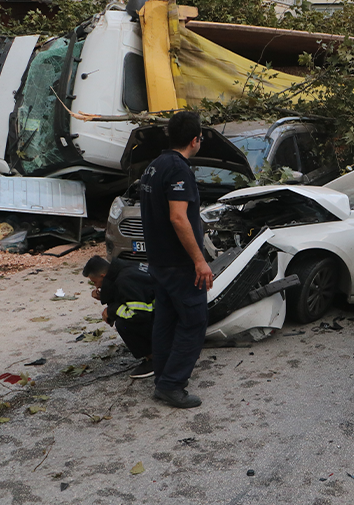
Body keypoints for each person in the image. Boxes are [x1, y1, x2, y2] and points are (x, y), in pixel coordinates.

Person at [139, 111, 213, 409]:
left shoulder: (154, 166)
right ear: (195, 140)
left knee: (166, 320)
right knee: (194, 321)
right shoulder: (179, 169)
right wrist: (199, 260)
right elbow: (178, 218)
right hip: (179, 264)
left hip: (158, 261)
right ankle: (171, 385)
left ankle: (163, 376)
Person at [84, 256, 155, 379]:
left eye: (95, 282)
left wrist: (111, 311)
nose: (96, 287)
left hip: (165, 317)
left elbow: (138, 314)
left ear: (102, 276)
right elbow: (126, 295)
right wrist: (105, 296)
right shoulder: (125, 267)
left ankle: (155, 359)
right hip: (167, 310)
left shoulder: (125, 280)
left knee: (124, 324)